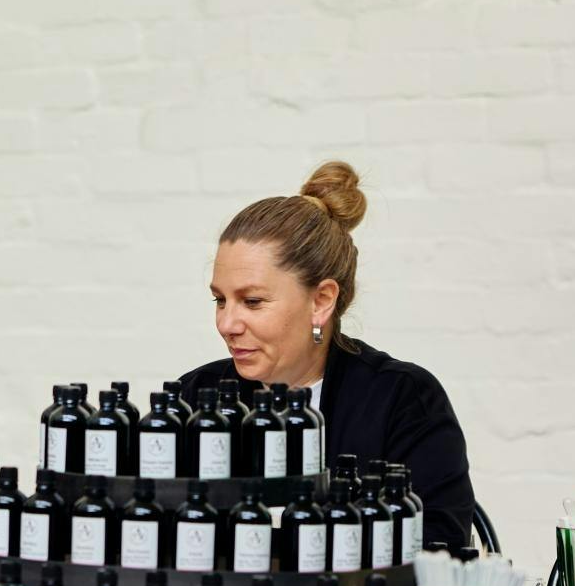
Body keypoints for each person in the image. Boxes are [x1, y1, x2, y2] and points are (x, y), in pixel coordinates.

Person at [176, 161, 478, 550]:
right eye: (220, 300)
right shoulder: (196, 398)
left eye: (252, 301)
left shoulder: (403, 401)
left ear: (321, 301)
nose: (227, 323)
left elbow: (439, 550)